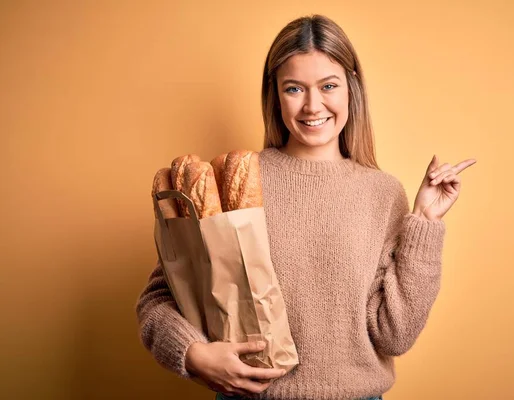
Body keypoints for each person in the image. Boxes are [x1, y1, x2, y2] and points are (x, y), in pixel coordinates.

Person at [135, 14, 476, 400]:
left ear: (351, 89)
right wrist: (193, 354)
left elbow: (394, 336)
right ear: (275, 95)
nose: (313, 106)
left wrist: (426, 222)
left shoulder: (383, 193)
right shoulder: (234, 180)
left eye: (328, 86)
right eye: (294, 88)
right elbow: (159, 298)